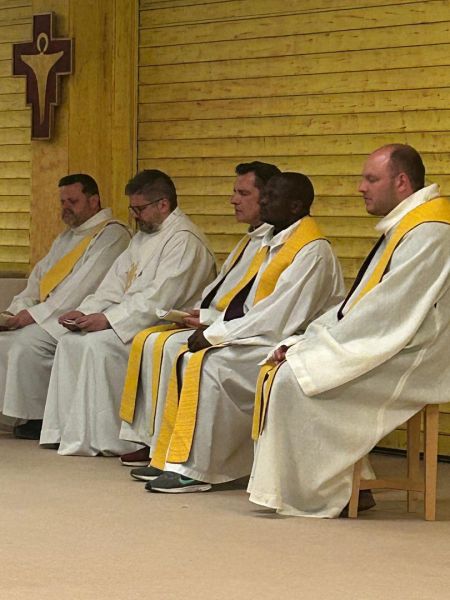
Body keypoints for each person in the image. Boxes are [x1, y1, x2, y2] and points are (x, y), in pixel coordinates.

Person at [248, 144, 450, 518]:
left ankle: (327, 492)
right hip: (395, 337)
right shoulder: (409, 222)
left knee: (297, 380)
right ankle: (349, 482)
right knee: (290, 367)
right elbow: (362, 304)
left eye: (371, 179)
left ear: (401, 182)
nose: (360, 187)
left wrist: (313, 346)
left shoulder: (430, 231)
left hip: (419, 352)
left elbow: (388, 311)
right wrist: (307, 338)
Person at [146, 171, 345, 492]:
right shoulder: (272, 242)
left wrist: (216, 334)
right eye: (263, 196)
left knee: (210, 364)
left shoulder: (311, 251)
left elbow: (276, 316)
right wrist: (212, 321)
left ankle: (200, 468)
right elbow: (250, 305)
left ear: (295, 206)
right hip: (265, 335)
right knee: (187, 354)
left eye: (271, 197)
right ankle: (177, 457)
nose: (262, 202)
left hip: (293, 344)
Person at [39, 169, 216, 456]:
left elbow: (159, 298)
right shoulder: (143, 237)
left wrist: (108, 320)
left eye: (139, 209)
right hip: (129, 319)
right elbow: (114, 284)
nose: (134, 215)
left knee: (97, 346)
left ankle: (110, 438)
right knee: (70, 341)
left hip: (162, 324)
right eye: (132, 208)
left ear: (163, 204)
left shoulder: (184, 240)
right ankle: (69, 432)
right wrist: (84, 312)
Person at [119, 161, 280, 470]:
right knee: (152, 342)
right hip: (226, 323)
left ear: (269, 197)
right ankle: (156, 441)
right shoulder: (251, 240)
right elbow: (226, 293)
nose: (233, 200)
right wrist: (203, 314)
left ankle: (189, 456)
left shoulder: (288, 246)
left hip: (256, 337)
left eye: (242, 193)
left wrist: (212, 322)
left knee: (181, 351)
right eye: (234, 192)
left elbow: (265, 309)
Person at [0, 174, 131, 439]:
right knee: (4, 340)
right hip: (46, 313)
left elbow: (82, 287)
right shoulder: (66, 237)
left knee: (26, 344)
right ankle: (11, 414)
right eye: (62, 202)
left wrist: (30, 316)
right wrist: (15, 311)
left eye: (73, 201)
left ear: (94, 201)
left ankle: (38, 417)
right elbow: (39, 278)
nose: (66, 207)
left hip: (75, 315)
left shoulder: (112, 234)